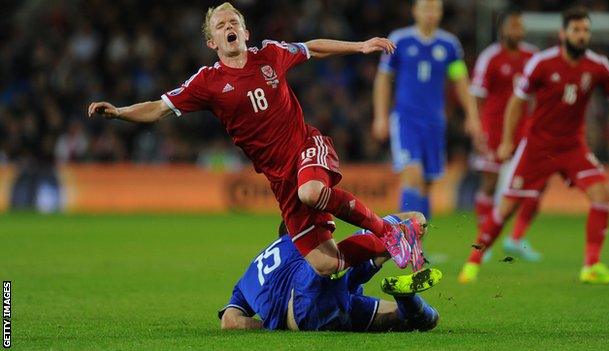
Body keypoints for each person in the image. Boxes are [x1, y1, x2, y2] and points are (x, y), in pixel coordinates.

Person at [88, 2, 422, 278]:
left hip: (307, 147)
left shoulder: (271, 54)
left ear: (245, 32)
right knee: (325, 264)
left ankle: (386, 232)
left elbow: (313, 48)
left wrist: (360, 46)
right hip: (279, 178)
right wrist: (118, 112)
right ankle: (394, 232)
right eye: (220, 25)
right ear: (212, 43)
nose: (228, 26)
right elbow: (158, 108)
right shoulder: (206, 82)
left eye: (234, 21)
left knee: (311, 192)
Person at [459, 7, 609, 284]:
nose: (582, 36)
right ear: (563, 34)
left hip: (573, 147)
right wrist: (508, 141)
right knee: (507, 205)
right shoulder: (542, 62)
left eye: (585, 30)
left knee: (602, 193)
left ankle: (591, 266)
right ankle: (474, 261)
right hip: (537, 146)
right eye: (576, 30)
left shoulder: (598, 66)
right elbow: (517, 101)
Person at [219, 212, 442, 332]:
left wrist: (270, 326)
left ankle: (402, 287)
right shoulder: (304, 243)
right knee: (340, 259)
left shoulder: (249, 276)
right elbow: (415, 216)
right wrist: (413, 221)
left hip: (313, 306)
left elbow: (230, 321)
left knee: (336, 265)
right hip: (309, 288)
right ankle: (406, 294)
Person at [373, 0, 483, 220]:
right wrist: (380, 117)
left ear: (441, 13)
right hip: (406, 120)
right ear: (415, 11)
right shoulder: (399, 40)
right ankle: (404, 240)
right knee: (412, 177)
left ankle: (418, 244)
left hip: (435, 122)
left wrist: (472, 116)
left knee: (427, 184)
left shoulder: (449, 45)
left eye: (435, 9)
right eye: (426, 8)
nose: (430, 14)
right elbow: (384, 79)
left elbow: (460, 80)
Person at [469, 8, 542, 264]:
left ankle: (516, 237)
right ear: (502, 29)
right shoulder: (490, 57)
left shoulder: (533, 56)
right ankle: (483, 242)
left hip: (526, 133)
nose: (517, 31)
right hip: (494, 131)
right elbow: (477, 95)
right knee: (490, 184)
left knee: (535, 186)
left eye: (519, 26)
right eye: (512, 26)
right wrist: (478, 129)